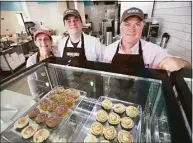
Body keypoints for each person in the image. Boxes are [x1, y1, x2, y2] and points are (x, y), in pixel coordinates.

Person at [103, 7, 190, 72]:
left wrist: (179, 63)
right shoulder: (109, 50)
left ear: (142, 27)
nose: (132, 29)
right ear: (121, 27)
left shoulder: (153, 51)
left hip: (142, 94)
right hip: (115, 94)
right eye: (127, 24)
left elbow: (187, 65)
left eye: (137, 24)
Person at [26, 29, 54, 98]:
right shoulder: (31, 60)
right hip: (43, 95)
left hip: (60, 91)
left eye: (46, 39)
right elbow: (31, 81)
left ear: (51, 41)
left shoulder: (58, 55)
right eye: (39, 39)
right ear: (35, 43)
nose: (43, 42)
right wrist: (37, 98)